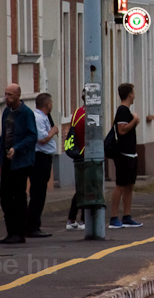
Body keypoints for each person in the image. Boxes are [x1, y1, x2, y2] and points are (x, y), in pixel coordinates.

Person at [0, 83, 37, 244]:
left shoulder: (26, 113)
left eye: (10, 95)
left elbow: (32, 136)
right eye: (5, 94)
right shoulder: (6, 113)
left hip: (21, 161)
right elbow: (4, 136)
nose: (7, 97)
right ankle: (10, 231)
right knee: (5, 197)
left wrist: (16, 149)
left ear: (18, 95)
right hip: (7, 160)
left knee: (19, 196)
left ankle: (19, 232)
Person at [109, 83, 142, 228]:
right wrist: (135, 120)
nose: (134, 96)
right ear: (129, 94)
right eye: (133, 93)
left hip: (131, 153)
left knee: (129, 185)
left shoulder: (126, 111)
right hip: (123, 154)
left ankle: (127, 216)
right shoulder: (122, 110)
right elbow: (121, 130)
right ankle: (114, 217)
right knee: (120, 186)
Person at [26, 92, 58, 238]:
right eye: (51, 102)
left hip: (44, 157)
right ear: (47, 104)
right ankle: (32, 225)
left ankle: (34, 223)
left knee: (40, 191)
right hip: (40, 158)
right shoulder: (38, 117)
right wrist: (53, 131)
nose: (52, 104)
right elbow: (42, 138)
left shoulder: (43, 117)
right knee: (38, 192)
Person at [66, 92, 86, 230]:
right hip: (86, 155)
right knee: (87, 189)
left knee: (80, 189)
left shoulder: (77, 113)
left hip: (78, 154)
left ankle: (72, 219)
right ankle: (84, 219)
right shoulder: (90, 116)